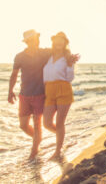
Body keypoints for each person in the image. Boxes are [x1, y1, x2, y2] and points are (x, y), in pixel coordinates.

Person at [8, 29, 79, 160]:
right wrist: (10, 91)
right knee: (35, 124)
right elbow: (16, 74)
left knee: (50, 124)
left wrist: (70, 62)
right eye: (34, 39)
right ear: (28, 42)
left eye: (37, 39)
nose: (37, 41)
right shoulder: (34, 56)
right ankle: (55, 138)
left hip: (52, 92)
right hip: (36, 93)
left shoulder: (55, 55)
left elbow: (68, 72)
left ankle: (46, 152)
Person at [43, 31, 76, 160]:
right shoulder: (48, 57)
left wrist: (69, 65)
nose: (58, 42)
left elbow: (70, 78)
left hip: (63, 89)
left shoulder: (67, 58)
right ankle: (62, 138)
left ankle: (57, 151)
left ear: (65, 43)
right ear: (53, 42)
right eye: (56, 40)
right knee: (46, 123)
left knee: (59, 122)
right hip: (49, 90)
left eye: (61, 40)